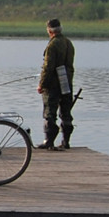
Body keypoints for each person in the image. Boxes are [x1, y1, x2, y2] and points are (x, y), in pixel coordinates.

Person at [37, 17, 76, 149]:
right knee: (66, 112)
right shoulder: (68, 43)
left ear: (50, 31)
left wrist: (41, 84)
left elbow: (48, 67)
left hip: (53, 84)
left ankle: (49, 141)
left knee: (50, 112)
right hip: (67, 82)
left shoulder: (52, 45)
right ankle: (66, 142)